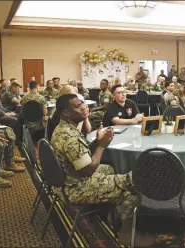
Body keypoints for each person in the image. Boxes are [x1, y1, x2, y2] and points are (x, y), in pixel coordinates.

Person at [51, 94, 154, 246]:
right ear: (66, 113)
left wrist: (98, 141)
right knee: (131, 181)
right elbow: (88, 170)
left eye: (82, 103)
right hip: (77, 188)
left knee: (110, 169)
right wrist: (102, 146)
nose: (84, 107)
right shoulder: (70, 137)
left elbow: (81, 156)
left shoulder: (63, 128)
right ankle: (129, 233)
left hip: (69, 180)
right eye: (78, 106)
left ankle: (112, 214)